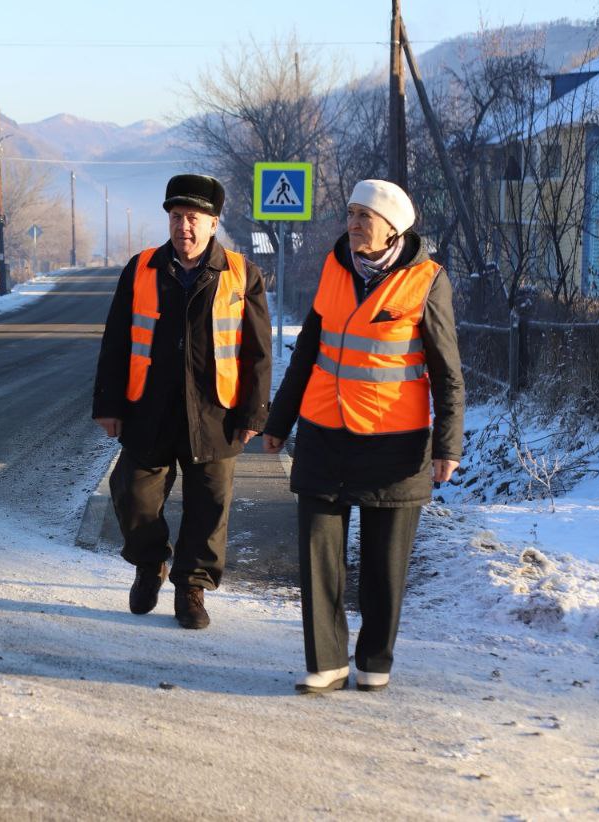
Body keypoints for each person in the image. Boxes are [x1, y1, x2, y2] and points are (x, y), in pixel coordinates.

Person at [262, 179, 464, 693]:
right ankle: (326, 661)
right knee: (318, 555)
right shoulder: (334, 267)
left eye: (364, 216)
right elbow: (309, 348)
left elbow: (447, 372)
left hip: (394, 442)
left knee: (384, 563)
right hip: (325, 431)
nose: (353, 224)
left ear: (392, 227)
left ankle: (374, 661)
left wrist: (448, 445)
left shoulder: (427, 280)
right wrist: (279, 422)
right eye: (350, 213)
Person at [93, 174, 271, 629]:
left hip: (216, 413)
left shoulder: (241, 274)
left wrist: (254, 412)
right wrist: (109, 405)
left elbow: (256, 350)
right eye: (176, 217)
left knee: (209, 508)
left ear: (213, 223)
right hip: (147, 409)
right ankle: (150, 563)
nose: (183, 227)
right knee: (133, 496)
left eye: (193, 218)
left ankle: (191, 589)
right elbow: (115, 341)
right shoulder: (141, 268)